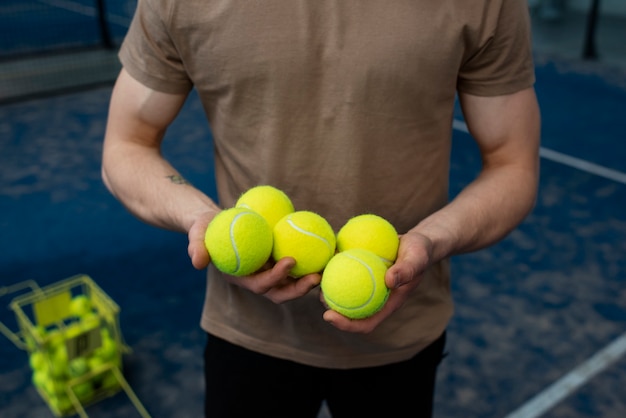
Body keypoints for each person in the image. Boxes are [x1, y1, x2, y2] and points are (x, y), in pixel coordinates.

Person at [101, 1, 541, 417]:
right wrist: (203, 219)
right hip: (248, 330)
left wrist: (431, 240)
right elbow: (126, 144)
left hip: (401, 331)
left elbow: (513, 163)